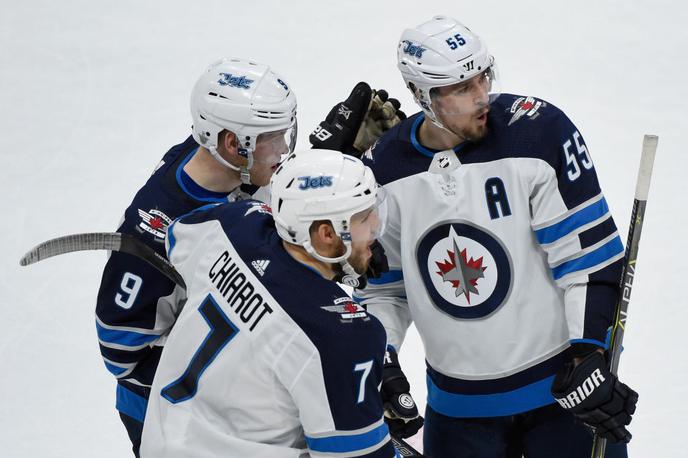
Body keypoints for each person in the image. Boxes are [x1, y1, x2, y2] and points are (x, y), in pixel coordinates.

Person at [313, 15, 638, 458]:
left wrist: (588, 355)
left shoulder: (538, 134)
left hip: (562, 400)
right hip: (458, 416)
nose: (482, 95)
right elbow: (384, 290)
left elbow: (586, 258)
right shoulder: (384, 174)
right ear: (421, 95)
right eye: (462, 88)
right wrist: (383, 357)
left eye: (482, 77)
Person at [94, 57, 297, 456]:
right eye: (272, 139)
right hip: (170, 416)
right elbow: (119, 351)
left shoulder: (222, 164)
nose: (283, 151)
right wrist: (224, 378)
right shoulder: (153, 235)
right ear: (230, 143)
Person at [140, 149, 398, 457]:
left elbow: (176, 240)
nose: (375, 224)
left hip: (163, 438)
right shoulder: (343, 335)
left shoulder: (233, 224)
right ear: (327, 233)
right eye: (363, 217)